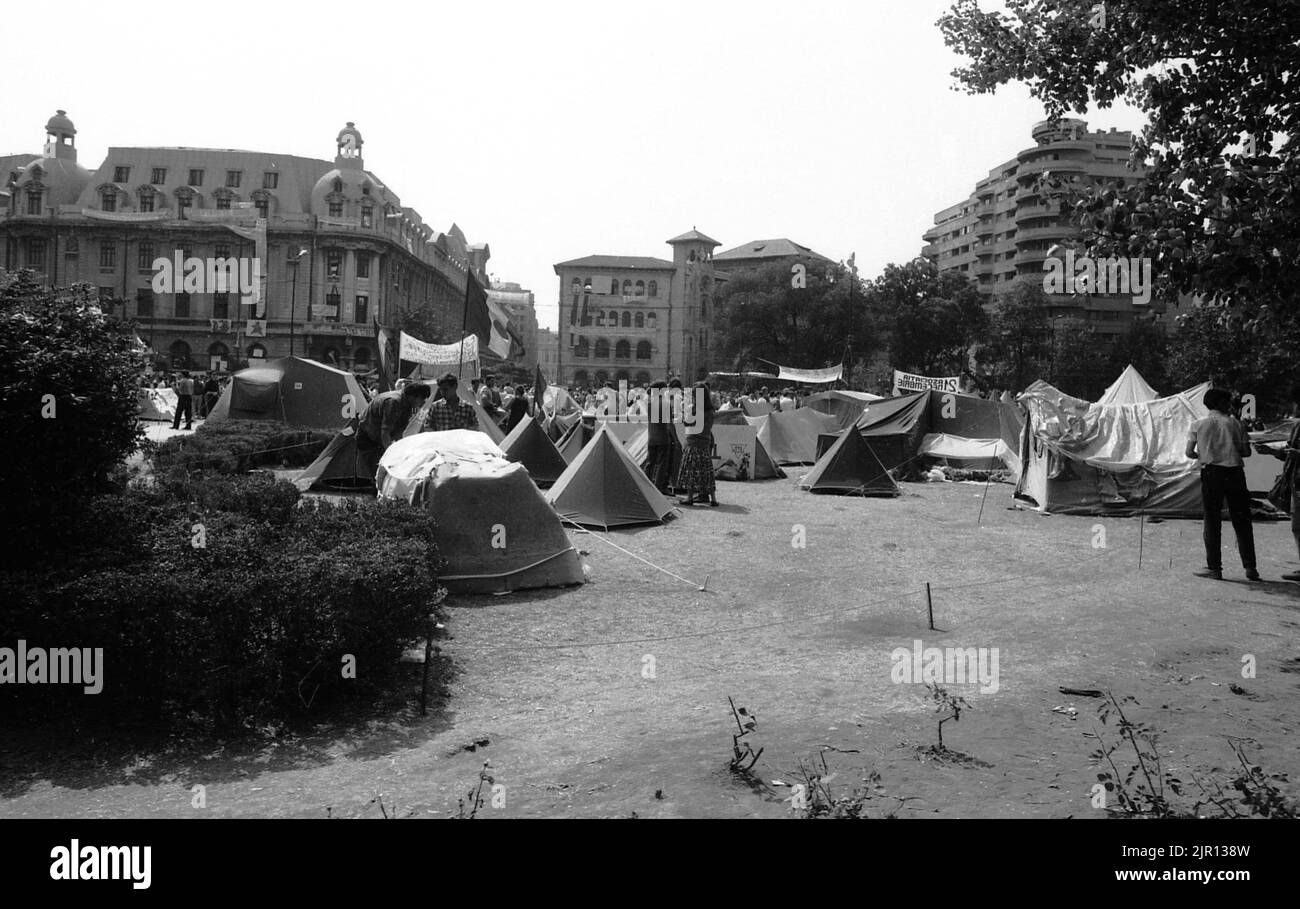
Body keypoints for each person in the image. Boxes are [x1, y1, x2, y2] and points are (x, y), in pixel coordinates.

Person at [1187, 387, 1258, 581]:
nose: (1229, 405)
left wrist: (1204, 454)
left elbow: (1189, 453)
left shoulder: (1198, 424)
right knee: (1242, 520)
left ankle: (1215, 568)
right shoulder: (1236, 424)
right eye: (1227, 402)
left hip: (1212, 473)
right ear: (1219, 403)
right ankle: (1251, 568)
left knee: (1212, 520)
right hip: (1235, 473)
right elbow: (1246, 453)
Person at [1255, 383, 1300, 582]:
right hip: (1296, 483)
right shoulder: (1297, 427)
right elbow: (1289, 455)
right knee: (1297, 526)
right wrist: (1271, 452)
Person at [356, 382, 432, 479]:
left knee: (389, 468)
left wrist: (401, 451)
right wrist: (392, 454)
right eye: (422, 399)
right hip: (369, 438)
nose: (423, 403)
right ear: (414, 396)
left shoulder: (408, 404)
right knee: (380, 470)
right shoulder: (394, 402)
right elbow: (385, 433)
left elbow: (399, 431)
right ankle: (376, 492)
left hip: (379, 438)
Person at [678, 381, 718, 507]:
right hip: (705, 441)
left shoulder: (695, 409)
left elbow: (689, 424)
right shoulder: (711, 410)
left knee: (691, 470)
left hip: (693, 442)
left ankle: (689, 497)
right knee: (707, 471)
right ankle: (713, 499)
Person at [643, 381, 675, 494]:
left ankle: (645, 486)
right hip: (663, 436)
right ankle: (658, 488)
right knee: (662, 464)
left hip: (652, 436)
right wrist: (674, 438)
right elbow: (669, 422)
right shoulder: (666, 403)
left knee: (650, 463)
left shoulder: (649, 403)